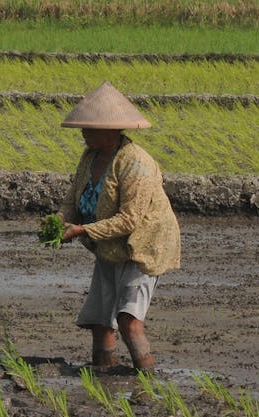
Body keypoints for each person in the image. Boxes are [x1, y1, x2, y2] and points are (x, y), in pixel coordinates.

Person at [58, 82, 181, 375]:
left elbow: (130, 219)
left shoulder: (135, 163)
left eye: (89, 128)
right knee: (100, 320)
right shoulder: (89, 157)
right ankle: (104, 376)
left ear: (111, 130)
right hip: (109, 244)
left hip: (143, 245)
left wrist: (82, 231)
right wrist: (61, 221)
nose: (83, 133)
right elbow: (71, 198)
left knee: (128, 321)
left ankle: (146, 378)